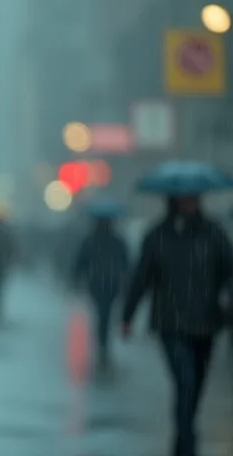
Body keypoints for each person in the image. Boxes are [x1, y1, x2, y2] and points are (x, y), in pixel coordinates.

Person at [121, 195, 232, 456]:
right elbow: (141, 278)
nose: (189, 204)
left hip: (206, 324)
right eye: (184, 200)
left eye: (193, 199)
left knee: (195, 387)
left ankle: (182, 437)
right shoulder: (158, 235)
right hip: (171, 323)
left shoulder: (214, 234)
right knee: (185, 381)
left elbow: (229, 271)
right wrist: (127, 316)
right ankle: (188, 443)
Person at [72, 215, 129, 372]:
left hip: (99, 284)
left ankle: (102, 345)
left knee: (103, 314)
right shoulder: (115, 241)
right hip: (107, 284)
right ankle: (103, 346)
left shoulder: (92, 240)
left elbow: (80, 262)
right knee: (105, 314)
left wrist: (76, 279)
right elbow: (126, 264)